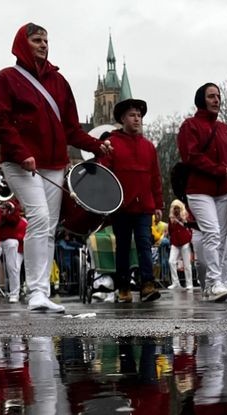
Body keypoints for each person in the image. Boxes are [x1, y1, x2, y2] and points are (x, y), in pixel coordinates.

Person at [0, 22, 112, 314]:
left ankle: (42, 292)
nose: (43, 44)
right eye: (36, 40)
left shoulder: (59, 82)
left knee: (48, 228)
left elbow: (71, 129)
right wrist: (21, 154)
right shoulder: (6, 79)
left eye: (46, 40)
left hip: (54, 162)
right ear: (22, 43)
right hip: (20, 163)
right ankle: (34, 292)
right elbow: (0, 121)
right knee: (39, 217)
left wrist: (97, 146)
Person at [177, 82, 227, 303]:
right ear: (201, 99)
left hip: (224, 191)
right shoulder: (190, 126)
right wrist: (220, 170)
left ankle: (212, 285)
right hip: (200, 190)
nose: (216, 100)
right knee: (211, 233)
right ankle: (215, 282)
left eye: (218, 96)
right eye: (211, 96)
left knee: (221, 239)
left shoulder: (226, 130)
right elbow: (191, 156)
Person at [98, 98, 163, 303]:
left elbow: (155, 177)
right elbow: (105, 173)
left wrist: (159, 204)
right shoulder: (113, 143)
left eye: (139, 115)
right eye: (132, 115)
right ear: (122, 119)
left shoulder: (149, 146)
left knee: (145, 244)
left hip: (144, 205)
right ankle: (123, 287)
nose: (137, 119)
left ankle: (147, 285)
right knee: (123, 246)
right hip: (122, 206)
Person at [167, 200, 195, 291]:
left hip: (185, 241)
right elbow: (170, 231)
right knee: (171, 261)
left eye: (177, 208)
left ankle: (189, 283)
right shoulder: (171, 218)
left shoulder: (186, 215)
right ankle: (175, 282)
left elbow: (189, 226)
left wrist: (181, 220)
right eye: (174, 208)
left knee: (187, 264)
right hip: (175, 242)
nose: (176, 210)